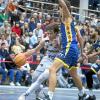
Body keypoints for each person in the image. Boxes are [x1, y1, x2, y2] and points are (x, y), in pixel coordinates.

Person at [43, 0, 88, 100]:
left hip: (69, 48)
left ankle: (49, 96)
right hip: (73, 49)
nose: (58, 10)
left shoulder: (66, 17)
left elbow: (63, 4)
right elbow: (80, 38)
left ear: (62, 8)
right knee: (73, 73)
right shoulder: (71, 22)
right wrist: (81, 52)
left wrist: (62, 5)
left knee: (52, 69)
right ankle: (83, 94)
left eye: (59, 8)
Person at [18, 23, 61, 100]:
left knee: (42, 77)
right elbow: (35, 50)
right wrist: (24, 54)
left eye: (51, 33)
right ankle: (38, 95)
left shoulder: (61, 39)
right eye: (48, 33)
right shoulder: (45, 40)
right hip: (47, 59)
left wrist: (59, 46)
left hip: (57, 61)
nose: (49, 35)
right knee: (34, 77)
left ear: (56, 33)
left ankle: (25, 94)